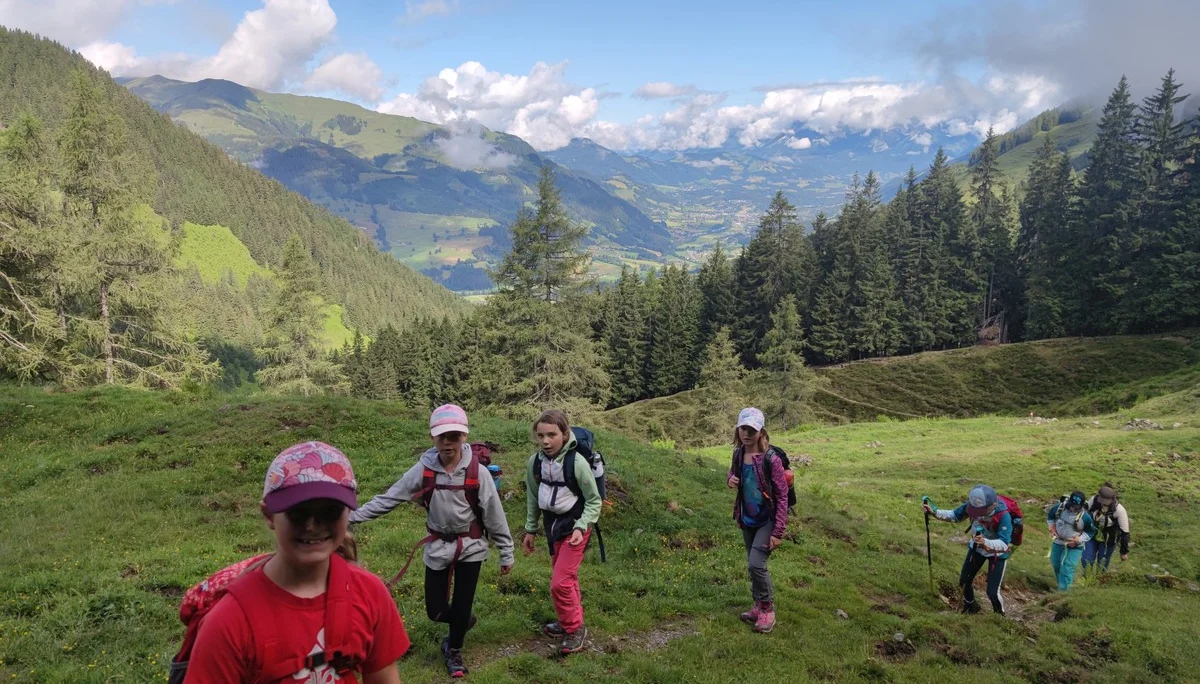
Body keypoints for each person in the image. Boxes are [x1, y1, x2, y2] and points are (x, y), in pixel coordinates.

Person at [184, 441, 410, 683]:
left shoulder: (369, 593)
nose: (312, 525)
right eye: (298, 512)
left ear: (348, 513)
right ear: (269, 515)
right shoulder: (230, 620)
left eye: (330, 511)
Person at [350, 404, 514, 678]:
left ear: (464, 436)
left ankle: (454, 649)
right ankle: (462, 621)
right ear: (432, 438)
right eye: (442, 437)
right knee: (435, 611)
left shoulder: (478, 473)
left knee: (462, 602)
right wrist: (351, 518)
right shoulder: (424, 469)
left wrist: (506, 551)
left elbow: (494, 514)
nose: (448, 443)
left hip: (471, 546)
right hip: (438, 547)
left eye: (454, 436)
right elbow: (390, 498)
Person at [521, 409, 602, 655]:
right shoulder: (534, 463)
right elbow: (533, 498)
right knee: (566, 578)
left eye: (552, 435)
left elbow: (594, 501)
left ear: (564, 435)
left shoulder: (576, 463)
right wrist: (530, 530)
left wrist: (581, 526)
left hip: (576, 527)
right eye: (541, 435)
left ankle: (575, 628)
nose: (545, 441)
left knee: (560, 582)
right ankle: (570, 620)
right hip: (552, 526)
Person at [726, 407, 789, 634]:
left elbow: (782, 496)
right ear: (738, 429)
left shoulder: (771, 459)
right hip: (747, 519)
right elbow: (733, 475)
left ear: (761, 432)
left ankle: (767, 610)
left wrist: (778, 531)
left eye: (752, 429)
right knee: (753, 566)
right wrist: (730, 479)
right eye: (743, 428)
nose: (747, 433)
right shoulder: (738, 454)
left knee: (756, 564)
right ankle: (757, 606)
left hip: (767, 520)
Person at [922, 484, 1013, 616]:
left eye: (981, 510)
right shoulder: (973, 506)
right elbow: (955, 515)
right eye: (975, 509)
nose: (977, 513)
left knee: (992, 592)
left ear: (992, 506)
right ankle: (971, 606)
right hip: (976, 548)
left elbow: (1004, 543)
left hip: (997, 554)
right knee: (964, 581)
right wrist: (935, 512)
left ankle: (999, 616)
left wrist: (985, 542)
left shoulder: (1003, 516)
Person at [1047, 490, 1098, 591]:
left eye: (1076, 507)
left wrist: (1079, 540)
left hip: (1074, 547)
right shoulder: (1059, 508)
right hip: (1058, 542)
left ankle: (1063, 592)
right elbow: (1050, 517)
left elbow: (1090, 532)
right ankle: (1060, 586)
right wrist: (1052, 528)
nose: (1073, 509)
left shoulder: (1085, 517)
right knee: (1056, 564)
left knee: (1067, 568)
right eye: (1072, 506)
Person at [1081, 484, 1130, 572]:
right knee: (1086, 560)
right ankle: (1087, 580)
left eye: (1106, 501)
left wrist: (1124, 552)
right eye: (1102, 500)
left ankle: (1099, 582)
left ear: (1112, 499)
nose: (1103, 503)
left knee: (1102, 564)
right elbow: (1083, 514)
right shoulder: (1093, 500)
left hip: (1109, 540)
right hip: (1091, 536)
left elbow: (1125, 532)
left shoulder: (1119, 510)